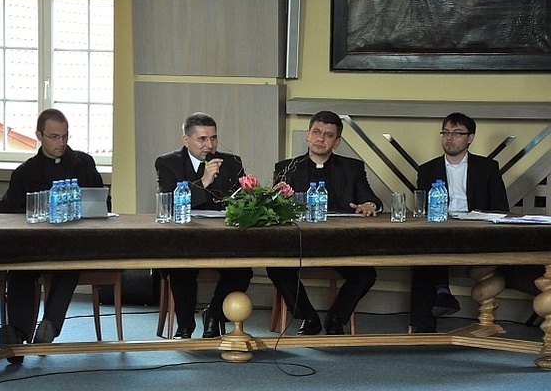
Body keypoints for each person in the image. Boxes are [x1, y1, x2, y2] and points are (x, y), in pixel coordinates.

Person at [0, 108, 106, 363]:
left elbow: (102, 202)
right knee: (21, 270)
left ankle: (49, 327)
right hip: (34, 245)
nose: (61, 143)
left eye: (65, 136)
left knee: (70, 267)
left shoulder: (84, 163)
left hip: (73, 243)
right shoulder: (25, 172)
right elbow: (7, 212)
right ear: (39, 135)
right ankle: (18, 333)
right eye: (54, 137)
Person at [267, 110, 382, 335]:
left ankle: (336, 317)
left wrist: (368, 204)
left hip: (339, 243)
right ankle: (308, 318)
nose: (321, 139)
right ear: (307, 135)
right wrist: (274, 199)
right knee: (276, 268)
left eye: (328, 135)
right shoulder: (286, 168)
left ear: (337, 142)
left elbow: (370, 198)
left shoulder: (352, 168)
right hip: (300, 241)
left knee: (366, 273)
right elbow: (276, 207)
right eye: (317, 132)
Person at [155, 112, 253, 339]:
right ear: (186, 140)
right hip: (185, 238)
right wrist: (203, 182)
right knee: (182, 269)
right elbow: (168, 202)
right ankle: (185, 326)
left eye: (214, 138)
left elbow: (244, 200)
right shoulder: (167, 163)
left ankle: (214, 315)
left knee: (242, 270)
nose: (209, 145)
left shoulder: (232, 162)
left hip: (223, 238)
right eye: (202, 139)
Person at [410, 112, 510, 333]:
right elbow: (423, 210)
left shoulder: (487, 168)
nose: (449, 138)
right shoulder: (427, 169)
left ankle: (442, 292)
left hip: (476, 232)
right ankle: (424, 325)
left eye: (457, 133)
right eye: (445, 132)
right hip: (440, 230)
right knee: (421, 252)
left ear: (470, 138)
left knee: (432, 250)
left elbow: (501, 208)